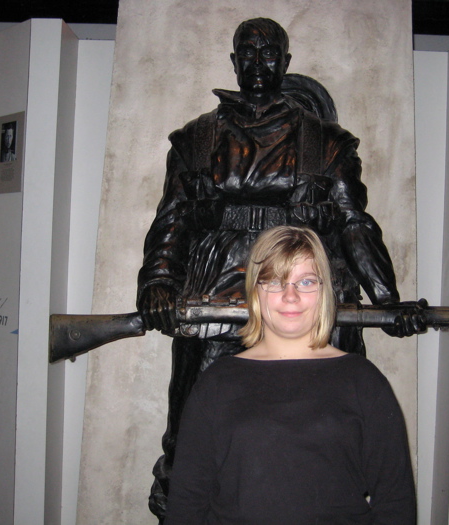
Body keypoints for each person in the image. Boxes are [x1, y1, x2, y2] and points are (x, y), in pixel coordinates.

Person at [138, 18, 424, 521]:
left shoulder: (326, 141)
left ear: (286, 63)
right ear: (232, 62)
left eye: (269, 52)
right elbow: (173, 219)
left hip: (300, 295)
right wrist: (160, 280)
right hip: (214, 298)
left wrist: (386, 300)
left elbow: (354, 222)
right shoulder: (197, 138)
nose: (256, 62)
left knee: (321, 426)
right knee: (191, 436)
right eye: (246, 52)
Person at [165, 226, 417, 524]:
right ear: (255, 291)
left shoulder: (363, 380)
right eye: (274, 281)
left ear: (324, 291)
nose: (290, 296)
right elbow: (186, 504)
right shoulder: (217, 383)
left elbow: (395, 502)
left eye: (306, 281)